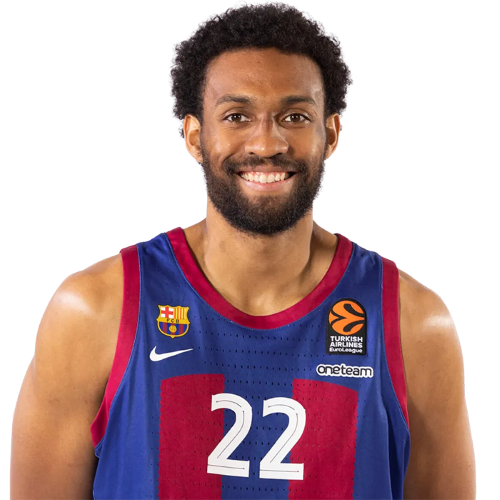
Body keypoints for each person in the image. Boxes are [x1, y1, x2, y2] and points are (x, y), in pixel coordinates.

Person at [10, 2, 475, 499]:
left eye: (295, 116)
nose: (267, 143)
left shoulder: (414, 323)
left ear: (331, 133)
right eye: (237, 116)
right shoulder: (93, 310)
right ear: (195, 136)